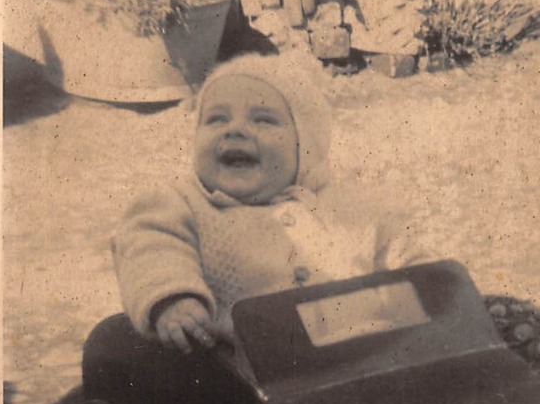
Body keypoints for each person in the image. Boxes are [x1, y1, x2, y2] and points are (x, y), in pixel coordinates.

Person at [111, 49, 431, 355]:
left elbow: (406, 255)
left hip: (352, 358)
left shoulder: (350, 207)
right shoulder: (182, 203)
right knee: (114, 342)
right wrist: (174, 298)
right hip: (236, 366)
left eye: (263, 120)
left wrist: (442, 290)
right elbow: (150, 246)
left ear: (304, 144)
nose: (235, 130)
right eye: (216, 119)